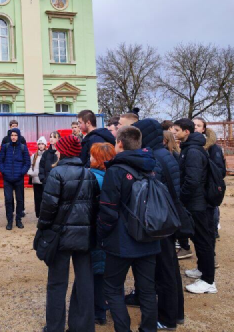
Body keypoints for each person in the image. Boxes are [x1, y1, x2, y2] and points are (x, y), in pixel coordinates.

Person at [97, 126, 160, 332]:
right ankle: (148, 329)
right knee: (148, 290)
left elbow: (108, 209)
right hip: (150, 236)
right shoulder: (152, 166)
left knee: (113, 288)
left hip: (121, 241)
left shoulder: (115, 170)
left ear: (121, 144)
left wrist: (102, 233)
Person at [39, 135, 100, 332]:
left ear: (64, 151)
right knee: (84, 282)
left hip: (60, 236)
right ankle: (82, 327)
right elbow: (95, 207)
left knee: (57, 283)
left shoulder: (56, 174)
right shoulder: (89, 174)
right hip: (84, 236)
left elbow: (48, 208)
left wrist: (43, 230)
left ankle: (54, 327)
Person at [134, 119, 185, 329]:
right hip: (169, 218)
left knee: (164, 271)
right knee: (171, 268)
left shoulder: (154, 158)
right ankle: (176, 312)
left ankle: (167, 318)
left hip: (160, 220)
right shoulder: (166, 154)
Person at [173, 118, 217, 294]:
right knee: (199, 239)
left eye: (177, 130)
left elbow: (192, 180)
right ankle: (201, 269)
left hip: (197, 203)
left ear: (186, 132)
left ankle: (208, 281)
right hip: (195, 202)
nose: (174, 133)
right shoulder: (190, 149)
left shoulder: (192, 152)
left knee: (203, 240)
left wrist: (181, 198)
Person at [89, 142, 116, 326]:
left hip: (96, 231)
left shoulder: (92, 178)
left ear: (98, 159)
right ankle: (107, 305)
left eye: (92, 156)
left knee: (96, 271)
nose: (88, 158)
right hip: (111, 233)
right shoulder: (113, 177)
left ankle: (99, 312)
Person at [193, 118, 226, 258]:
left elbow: (220, 171)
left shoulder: (213, 148)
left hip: (208, 192)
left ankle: (210, 260)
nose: (195, 128)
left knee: (208, 225)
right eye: (193, 125)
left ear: (203, 129)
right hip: (197, 194)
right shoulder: (190, 147)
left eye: (198, 125)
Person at [0, 128, 31, 230]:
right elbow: (0, 160)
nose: (13, 137)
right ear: (9, 136)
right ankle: (9, 221)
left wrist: (22, 173)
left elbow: (27, 162)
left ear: (18, 136)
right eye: (12, 135)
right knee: (8, 200)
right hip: (7, 179)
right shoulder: (5, 147)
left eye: (15, 135)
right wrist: (4, 171)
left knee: (20, 200)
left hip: (19, 179)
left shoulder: (22, 147)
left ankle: (18, 220)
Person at [28, 136, 47, 218]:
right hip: (36, 180)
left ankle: (45, 215)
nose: (41, 145)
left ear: (45, 145)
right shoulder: (34, 156)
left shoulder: (47, 155)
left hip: (45, 181)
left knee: (45, 198)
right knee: (37, 198)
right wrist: (31, 173)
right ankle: (38, 215)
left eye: (42, 144)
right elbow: (30, 166)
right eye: (39, 144)